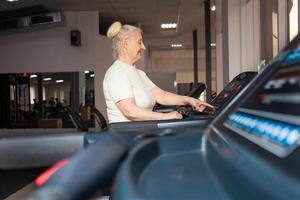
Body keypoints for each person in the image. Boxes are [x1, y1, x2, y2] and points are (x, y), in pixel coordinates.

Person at [103, 21, 213, 123]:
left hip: (142, 132)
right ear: (126, 43)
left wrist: (191, 100)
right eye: (139, 42)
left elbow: (162, 96)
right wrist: (167, 116)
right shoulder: (116, 73)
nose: (144, 47)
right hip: (126, 136)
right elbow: (130, 111)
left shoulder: (139, 74)